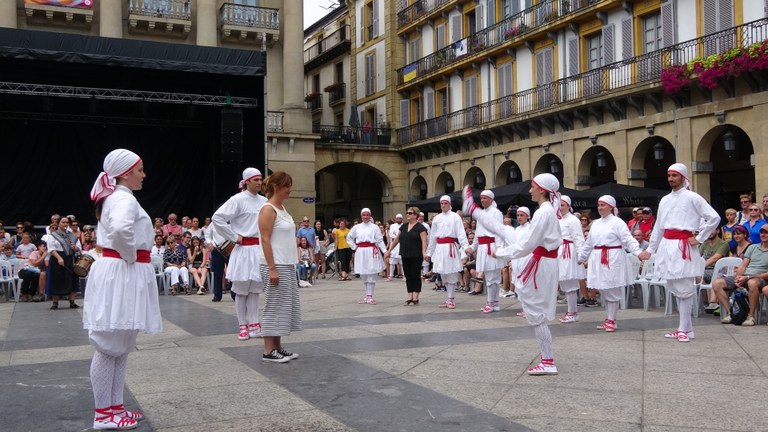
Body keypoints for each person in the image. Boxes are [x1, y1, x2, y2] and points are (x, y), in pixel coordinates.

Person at [83, 148, 162, 430]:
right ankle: (104, 414)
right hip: (122, 271)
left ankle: (114, 407)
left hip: (123, 271)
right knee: (109, 346)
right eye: (140, 170)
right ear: (126, 173)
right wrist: (130, 255)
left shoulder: (120, 197)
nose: (144, 175)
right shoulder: (123, 199)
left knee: (120, 346)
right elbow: (119, 231)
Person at [467, 174, 563, 375]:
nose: (530, 191)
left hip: (540, 264)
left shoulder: (544, 213)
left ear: (543, 190)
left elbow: (528, 244)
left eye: (533, 187)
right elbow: (522, 238)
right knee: (504, 230)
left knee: (536, 314)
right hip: (542, 261)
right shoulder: (544, 210)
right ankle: (474, 210)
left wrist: (500, 253)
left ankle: (548, 360)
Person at [639, 163, 720, 342]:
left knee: (684, 285)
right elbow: (659, 226)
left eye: (674, 176)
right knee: (674, 285)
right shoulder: (665, 200)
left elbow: (714, 217)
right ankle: (685, 329)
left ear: (683, 177)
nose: (670, 179)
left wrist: (699, 238)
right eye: (669, 176)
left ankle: (683, 328)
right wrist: (651, 250)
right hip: (667, 246)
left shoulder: (693, 197)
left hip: (684, 245)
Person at [211, 168, 268, 340]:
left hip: (258, 249)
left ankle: (254, 323)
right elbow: (217, 217)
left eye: (260, 179)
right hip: (242, 250)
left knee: (255, 289)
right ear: (247, 182)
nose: (259, 182)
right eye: (255, 180)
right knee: (241, 289)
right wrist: (234, 236)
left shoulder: (264, 201)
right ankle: (242, 324)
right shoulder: (237, 200)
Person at [578, 195, 643, 332]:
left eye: (603, 205)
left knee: (611, 287)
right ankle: (609, 317)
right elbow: (589, 243)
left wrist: (638, 252)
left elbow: (627, 240)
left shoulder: (617, 222)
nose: (600, 207)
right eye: (599, 205)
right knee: (603, 287)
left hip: (612, 258)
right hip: (597, 258)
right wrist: (581, 257)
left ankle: (612, 320)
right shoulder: (595, 223)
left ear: (611, 207)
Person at [257, 171, 301, 363]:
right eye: (286, 185)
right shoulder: (268, 209)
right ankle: (268, 350)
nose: (290, 189)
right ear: (276, 186)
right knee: (274, 306)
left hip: (287, 263)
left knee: (284, 306)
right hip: (275, 264)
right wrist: (272, 268)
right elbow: (265, 240)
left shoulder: (282, 208)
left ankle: (278, 346)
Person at [713, 225, 768, 326]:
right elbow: (743, 266)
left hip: (759, 278)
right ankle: (731, 313)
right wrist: (737, 279)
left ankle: (751, 316)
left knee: (752, 283)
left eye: (766, 232)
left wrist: (747, 277)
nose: (763, 235)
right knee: (717, 283)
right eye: (762, 232)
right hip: (745, 275)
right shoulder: (753, 247)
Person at [464, 190, 506, 314]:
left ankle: (491, 302)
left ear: (491, 199)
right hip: (483, 247)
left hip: (491, 247)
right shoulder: (481, 213)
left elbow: (499, 231)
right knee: (489, 276)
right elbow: (478, 233)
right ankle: (494, 302)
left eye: (485, 198)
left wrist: (498, 249)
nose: (482, 200)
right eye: (481, 198)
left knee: (493, 276)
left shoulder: (496, 212)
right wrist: (473, 246)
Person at [425, 196, 469, 309]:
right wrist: (429, 253)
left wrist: (464, 252)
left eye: (445, 203)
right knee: (442, 273)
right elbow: (433, 237)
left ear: (449, 204)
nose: (443, 205)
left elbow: (461, 235)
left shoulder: (455, 217)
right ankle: (449, 297)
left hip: (450, 248)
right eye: (442, 203)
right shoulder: (437, 218)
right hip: (440, 248)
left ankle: (451, 298)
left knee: (451, 272)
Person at [386, 207, 428, 305]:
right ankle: (409, 295)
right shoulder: (404, 226)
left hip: (416, 254)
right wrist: (389, 250)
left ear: (415, 215)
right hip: (405, 253)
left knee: (415, 275)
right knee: (408, 275)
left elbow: (424, 241)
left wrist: (424, 253)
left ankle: (415, 297)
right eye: (407, 213)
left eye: (410, 213)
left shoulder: (420, 227)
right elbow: (397, 239)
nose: (408, 214)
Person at [347, 208, 387, 305]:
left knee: (371, 272)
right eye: (363, 215)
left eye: (367, 215)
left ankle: (370, 296)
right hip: (361, 251)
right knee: (364, 273)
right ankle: (367, 295)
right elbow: (349, 238)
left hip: (371, 251)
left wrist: (385, 251)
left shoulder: (375, 227)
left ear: (370, 215)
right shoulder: (357, 227)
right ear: (361, 216)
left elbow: (379, 240)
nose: (365, 217)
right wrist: (355, 247)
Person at [557, 196, 586, 324]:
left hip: (569, 252)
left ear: (568, 206)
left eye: (562, 205)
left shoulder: (573, 220)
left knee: (570, 283)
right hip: (560, 251)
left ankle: (572, 312)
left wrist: (581, 255)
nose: (560, 207)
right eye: (558, 205)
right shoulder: (558, 219)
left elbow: (578, 238)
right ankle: (571, 311)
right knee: (564, 282)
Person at [46, 215, 81, 310]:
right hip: (57, 258)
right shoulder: (53, 235)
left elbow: (79, 247)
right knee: (57, 279)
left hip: (70, 258)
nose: (65, 224)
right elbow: (51, 249)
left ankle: (72, 301)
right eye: (63, 222)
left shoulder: (72, 235)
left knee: (71, 278)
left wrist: (75, 248)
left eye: (67, 223)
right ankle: (55, 302)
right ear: (59, 223)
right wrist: (59, 258)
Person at [700, 229, 730, 312]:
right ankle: (705, 302)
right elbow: (698, 256)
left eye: (712, 230)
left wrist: (701, 267)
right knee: (697, 276)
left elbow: (715, 258)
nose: (709, 232)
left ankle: (713, 303)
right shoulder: (704, 244)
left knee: (716, 275)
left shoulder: (723, 244)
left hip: (719, 270)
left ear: (718, 231)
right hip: (706, 270)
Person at [387, 214, 404, 281]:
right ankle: (391, 276)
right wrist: (397, 237)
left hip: (402, 244)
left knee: (402, 262)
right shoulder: (393, 226)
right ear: (396, 219)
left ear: (402, 219)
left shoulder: (404, 225)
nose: (399, 220)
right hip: (394, 245)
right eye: (397, 218)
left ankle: (404, 276)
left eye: (400, 218)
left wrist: (400, 238)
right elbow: (391, 234)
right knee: (392, 262)